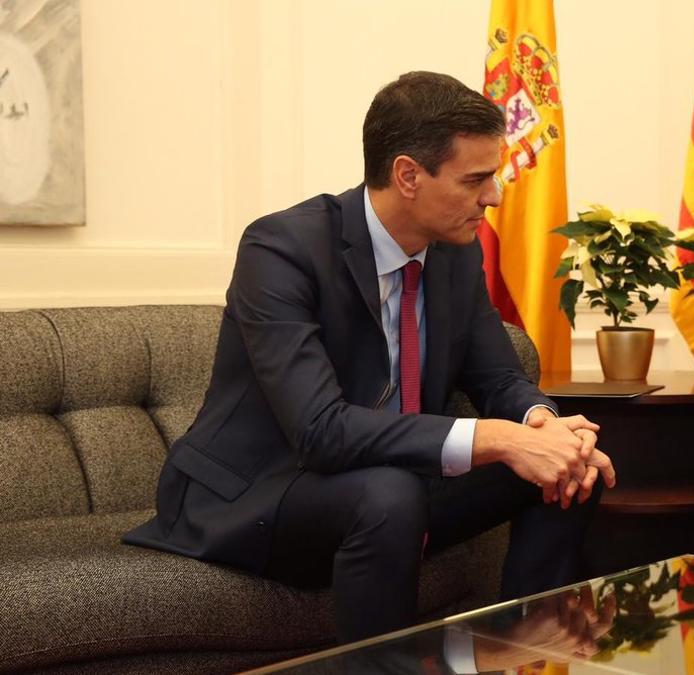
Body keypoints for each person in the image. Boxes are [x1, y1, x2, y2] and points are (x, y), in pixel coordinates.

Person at [125, 71, 616, 643]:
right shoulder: (281, 250)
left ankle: (521, 650)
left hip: (390, 482)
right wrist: (503, 439)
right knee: (389, 495)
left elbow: (498, 375)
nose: (495, 196)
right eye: (476, 179)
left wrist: (541, 425)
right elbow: (319, 431)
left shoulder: (453, 252)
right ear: (408, 175)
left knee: (575, 467)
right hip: (264, 490)